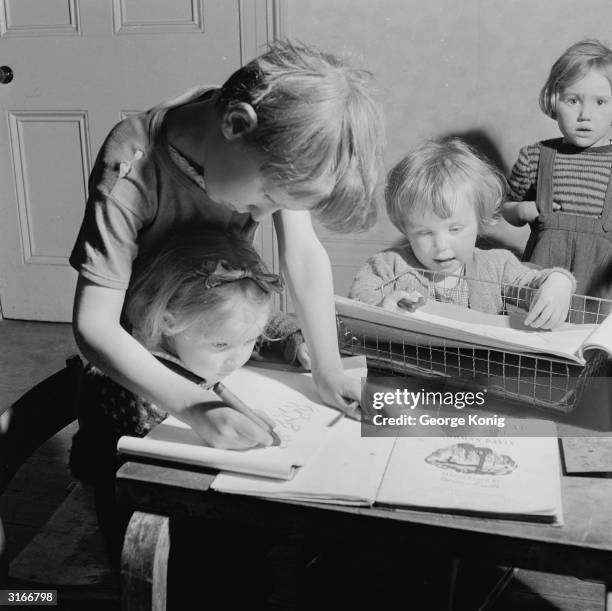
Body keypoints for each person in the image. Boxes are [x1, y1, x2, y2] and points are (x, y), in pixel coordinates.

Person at [69, 40, 384, 449]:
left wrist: (328, 368)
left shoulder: (271, 142)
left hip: (207, 351)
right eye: (266, 197)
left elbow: (303, 254)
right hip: (138, 368)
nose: (258, 217)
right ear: (235, 125)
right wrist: (195, 406)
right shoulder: (132, 164)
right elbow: (94, 326)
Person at [69, 229, 308, 562]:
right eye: (221, 345)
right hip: (140, 516)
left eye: (250, 341)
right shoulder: (131, 385)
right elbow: (162, 472)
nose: (236, 358)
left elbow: (246, 322)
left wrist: (290, 337)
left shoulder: (204, 330)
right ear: (169, 321)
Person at [349, 138, 576, 329]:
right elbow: (358, 297)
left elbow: (533, 282)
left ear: (480, 219)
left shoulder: (498, 266)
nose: (441, 245)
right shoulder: (390, 266)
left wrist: (559, 282)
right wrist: (380, 308)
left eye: (455, 229)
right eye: (425, 232)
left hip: (476, 375)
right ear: (405, 228)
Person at [502, 39, 612, 296]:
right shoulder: (536, 157)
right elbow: (506, 207)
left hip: (601, 296)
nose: (585, 114)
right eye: (572, 100)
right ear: (553, 101)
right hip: (543, 286)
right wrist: (521, 209)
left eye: (600, 102)